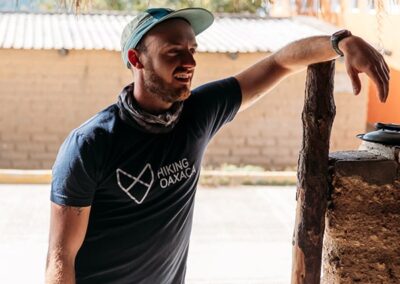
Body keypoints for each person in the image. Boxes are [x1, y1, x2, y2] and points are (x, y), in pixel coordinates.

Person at [45, 7, 389, 284]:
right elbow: (61, 258)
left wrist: (340, 43)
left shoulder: (198, 112)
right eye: (173, 52)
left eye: (192, 50)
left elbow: (279, 62)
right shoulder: (91, 144)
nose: (189, 62)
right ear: (136, 60)